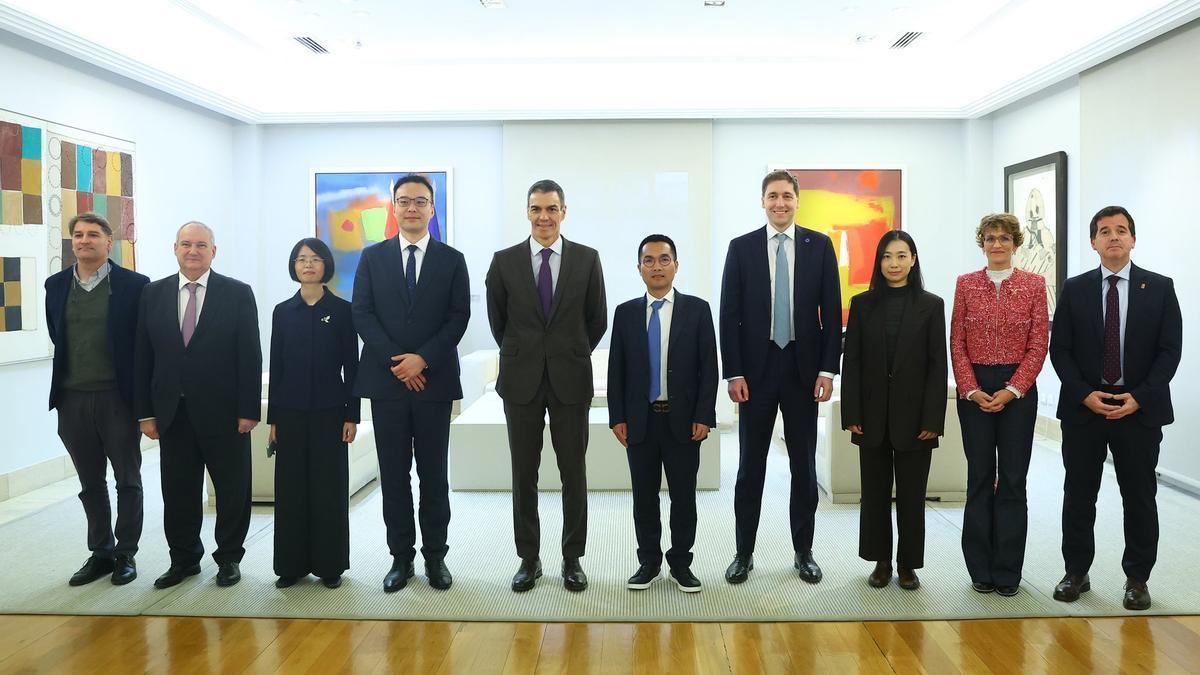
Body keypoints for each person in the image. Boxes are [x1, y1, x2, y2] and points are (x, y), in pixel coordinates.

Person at [1050, 206, 1181, 611]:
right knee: (1079, 493)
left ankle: (1137, 579)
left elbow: (1169, 351)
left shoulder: (1159, 287)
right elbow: (1061, 350)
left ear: (1133, 239)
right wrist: (1083, 393)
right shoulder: (1074, 288)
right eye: (1105, 231)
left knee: (1139, 495)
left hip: (1138, 409)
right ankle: (1076, 572)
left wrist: (1140, 396)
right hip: (1085, 407)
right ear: (1093, 242)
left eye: (1121, 231)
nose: (1114, 237)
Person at [719, 170, 841, 585]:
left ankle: (803, 552)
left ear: (797, 200)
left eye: (787, 196)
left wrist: (828, 369)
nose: (780, 203)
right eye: (773, 196)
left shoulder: (819, 246)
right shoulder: (741, 248)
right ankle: (743, 552)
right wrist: (732, 371)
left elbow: (831, 311)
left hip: (804, 374)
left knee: (803, 467)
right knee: (749, 467)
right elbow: (729, 314)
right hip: (754, 374)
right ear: (762, 200)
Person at [485, 179, 607, 593]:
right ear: (527, 213)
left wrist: (569, 352)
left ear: (564, 212)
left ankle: (572, 558)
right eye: (536, 209)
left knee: (574, 471)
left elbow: (597, 320)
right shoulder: (503, 262)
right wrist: (525, 354)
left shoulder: (588, 260)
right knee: (524, 473)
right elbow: (498, 322)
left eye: (551, 209)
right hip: (520, 383)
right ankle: (529, 558)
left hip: (571, 381)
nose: (544, 217)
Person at [353, 174, 470, 592]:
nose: (412, 208)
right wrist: (399, 363)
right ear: (394, 207)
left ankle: (436, 557)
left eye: (421, 201)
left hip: (434, 384)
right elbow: (362, 314)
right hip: (387, 386)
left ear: (432, 208)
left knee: (434, 475)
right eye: (404, 201)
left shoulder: (452, 259)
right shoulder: (372, 258)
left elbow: (458, 317)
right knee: (395, 475)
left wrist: (423, 359)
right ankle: (400, 558)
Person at [135, 221, 261, 589]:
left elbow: (250, 355)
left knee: (232, 490)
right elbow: (142, 357)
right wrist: (146, 412)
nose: (193, 251)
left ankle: (228, 559)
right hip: (172, 413)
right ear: (175, 249)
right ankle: (184, 559)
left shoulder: (237, 293)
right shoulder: (153, 294)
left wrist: (248, 410)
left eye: (201, 245)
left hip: (225, 413)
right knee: (178, 490)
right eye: (186, 244)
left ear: (213, 251)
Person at [608, 234, 717, 593]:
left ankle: (681, 563)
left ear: (676, 265)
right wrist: (617, 417)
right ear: (639, 267)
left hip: (684, 421)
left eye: (664, 259)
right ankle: (648, 561)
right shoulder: (624, 314)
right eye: (649, 260)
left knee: (683, 496)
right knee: (644, 496)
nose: (657, 266)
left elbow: (708, 368)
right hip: (640, 421)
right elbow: (617, 371)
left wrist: (705, 414)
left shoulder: (698, 310)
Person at [45, 212, 149, 587]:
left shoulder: (135, 285)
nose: (84, 240)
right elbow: (59, 337)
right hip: (72, 399)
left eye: (92, 234)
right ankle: (101, 551)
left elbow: (143, 344)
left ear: (109, 241)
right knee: (90, 482)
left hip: (117, 398)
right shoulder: (55, 286)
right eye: (78, 235)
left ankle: (126, 553)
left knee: (128, 479)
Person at [841, 231, 946, 591]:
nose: (894, 264)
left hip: (916, 418)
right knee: (874, 494)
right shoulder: (862, 304)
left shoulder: (932, 305)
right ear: (879, 261)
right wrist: (850, 413)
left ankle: (907, 564)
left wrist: (933, 419)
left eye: (902, 256)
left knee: (912, 497)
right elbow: (851, 362)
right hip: (869, 416)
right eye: (887, 257)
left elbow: (937, 366)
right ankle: (880, 561)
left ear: (913, 260)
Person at [950, 213, 1048, 597]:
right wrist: (971, 389)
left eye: (1004, 238)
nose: (997, 244)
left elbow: (1039, 344)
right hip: (974, 389)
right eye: (990, 238)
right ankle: (980, 568)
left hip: (1017, 392)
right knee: (978, 479)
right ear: (982, 243)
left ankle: (1008, 570)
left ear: (1016, 243)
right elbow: (956, 341)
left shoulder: (1035, 285)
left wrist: (1013, 389)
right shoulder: (966, 284)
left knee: (1012, 481)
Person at [268, 237, 360, 590]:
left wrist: (352, 415)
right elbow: (276, 367)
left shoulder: (342, 311)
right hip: (289, 413)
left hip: (330, 411)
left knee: (328, 487)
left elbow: (351, 367)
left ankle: (330, 564)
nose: (307, 265)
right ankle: (290, 565)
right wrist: (273, 418)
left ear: (326, 266)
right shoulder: (282, 311)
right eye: (301, 259)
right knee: (290, 489)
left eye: (315, 259)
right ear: (293, 267)